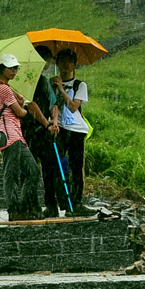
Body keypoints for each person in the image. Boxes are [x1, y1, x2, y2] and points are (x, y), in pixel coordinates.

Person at [0, 53, 44, 221]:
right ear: (1, 69)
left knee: (32, 171)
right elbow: (20, 113)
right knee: (12, 173)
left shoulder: (3, 88)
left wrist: (18, 102)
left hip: (15, 135)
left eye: (15, 68)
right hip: (9, 134)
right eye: (10, 68)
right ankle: (15, 208)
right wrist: (24, 107)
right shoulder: (3, 89)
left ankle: (24, 206)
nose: (14, 71)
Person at [25, 47, 64, 216]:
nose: (45, 64)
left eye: (46, 61)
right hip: (30, 131)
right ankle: (32, 205)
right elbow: (30, 105)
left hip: (44, 132)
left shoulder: (46, 82)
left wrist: (54, 121)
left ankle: (51, 205)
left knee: (49, 169)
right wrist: (47, 123)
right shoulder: (27, 81)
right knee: (31, 170)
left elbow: (53, 104)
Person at [55, 48, 90, 203]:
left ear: (75, 64)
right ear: (56, 63)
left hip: (75, 130)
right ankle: (62, 200)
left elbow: (74, 107)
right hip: (59, 128)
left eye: (69, 62)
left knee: (77, 166)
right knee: (59, 165)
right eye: (62, 61)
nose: (66, 65)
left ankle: (76, 201)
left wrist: (61, 90)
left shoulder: (79, 85)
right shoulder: (52, 83)